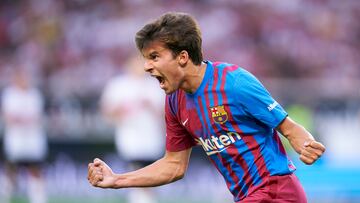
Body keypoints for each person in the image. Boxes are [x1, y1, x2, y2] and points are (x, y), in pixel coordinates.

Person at [88, 12, 326, 203]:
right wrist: (116, 180)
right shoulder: (174, 101)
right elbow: (173, 166)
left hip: (276, 192)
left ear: (182, 57)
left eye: (154, 57)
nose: (147, 67)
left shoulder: (234, 83)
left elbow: (290, 128)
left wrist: (305, 143)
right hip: (246, 196)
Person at [100, 55, 164, 203]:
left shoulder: (155, 84)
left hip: (152, 139)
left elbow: (166, 114)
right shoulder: (119, 85)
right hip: (130, 138)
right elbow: (107, 112)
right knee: (136, 173)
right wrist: (120, 110)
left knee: (150, 179)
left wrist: (150, 106)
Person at [1, 68, 48, 203]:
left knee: (36, 170)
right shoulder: (9, 94)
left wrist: (23, 119)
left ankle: (38, 199)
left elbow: (36, 116)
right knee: (11, 170)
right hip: (16, 141)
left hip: (33, 140)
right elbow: (10, 116)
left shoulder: (35, 94)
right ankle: (5, 197)